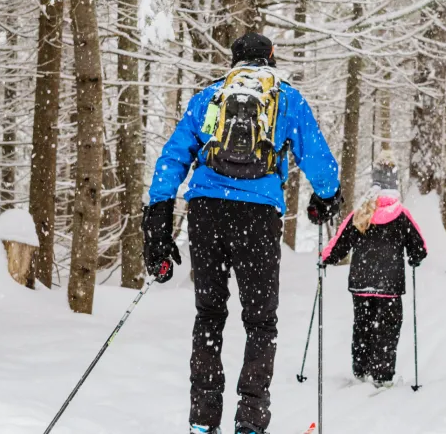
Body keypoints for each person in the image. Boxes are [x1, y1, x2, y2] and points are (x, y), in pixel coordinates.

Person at [142, 32, 341, 434]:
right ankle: (250, 419)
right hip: (258, 215)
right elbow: (321, 162)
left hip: (207, 213)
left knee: (210, 316)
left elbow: (172, 159)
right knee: (261, 321)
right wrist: (326, 198)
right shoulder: (285, 98)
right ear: (271, 58)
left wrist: (158, 222)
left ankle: (202, 418)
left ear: (233, 62)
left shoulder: (209, 98)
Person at [321, 156, 426, 388]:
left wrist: (326, 259)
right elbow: (420, 246)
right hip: (390, 285)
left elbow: (340, 241)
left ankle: (361, 368)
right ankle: (382, 374)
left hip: (361, 284)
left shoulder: (362, 212)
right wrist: (415, 258)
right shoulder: (401, 214)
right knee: (387, 328)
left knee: (362, 324)